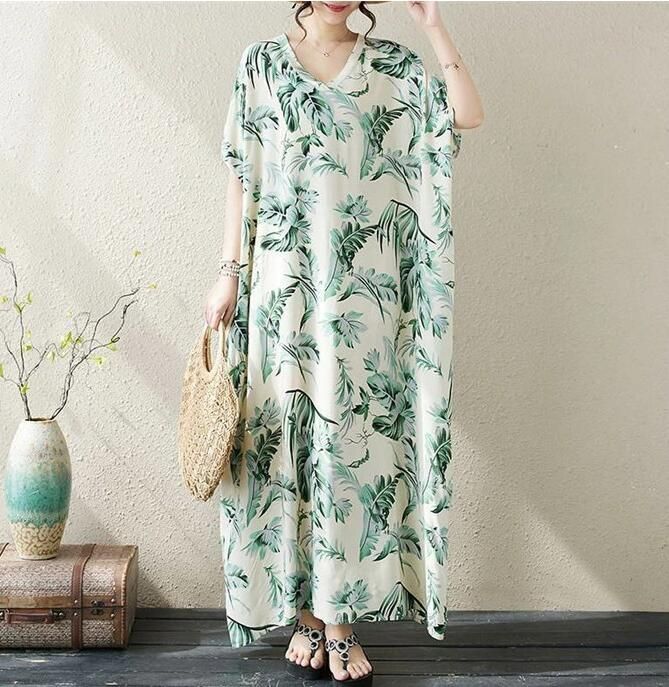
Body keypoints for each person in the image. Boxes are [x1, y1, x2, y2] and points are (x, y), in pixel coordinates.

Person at [205, 1, 483, 683]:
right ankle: (304, 615)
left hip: (364, 301)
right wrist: (228, 272)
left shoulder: (394, 69)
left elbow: (466, 114)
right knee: (284, 448)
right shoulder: (261, 64)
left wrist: (433, 25)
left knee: (349, 455)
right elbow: (241, 176)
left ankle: (339, 621)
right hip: (282, 292)